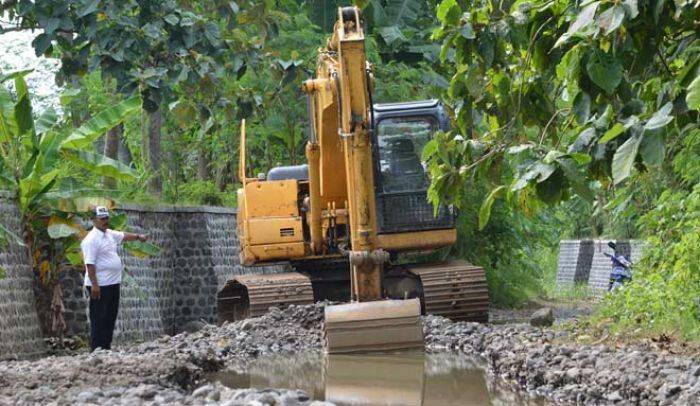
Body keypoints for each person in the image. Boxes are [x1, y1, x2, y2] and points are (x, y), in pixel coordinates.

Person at [81, 206, 148, 351]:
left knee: (110, 317)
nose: (105, 221)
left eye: (107, 218)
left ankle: (106, 347)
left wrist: (138, 236)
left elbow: (123, 236)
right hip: (100, 285)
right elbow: (90, 264)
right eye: (102, 219)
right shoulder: (91, 240)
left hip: (113, 283)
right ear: (94, 220)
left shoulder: (109, 233)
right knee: (99, 318)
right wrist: (95, 285)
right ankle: (96, 349)